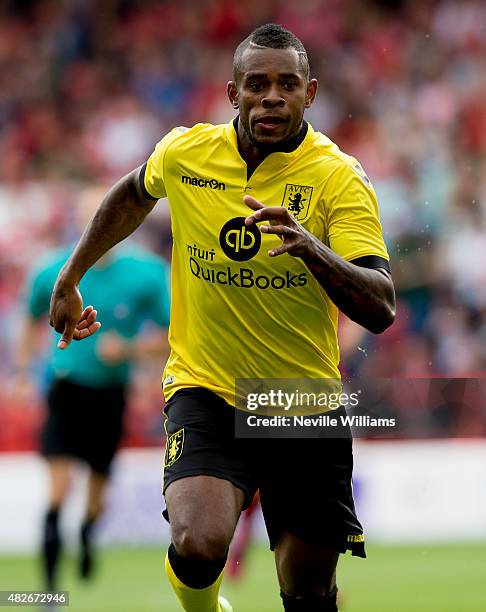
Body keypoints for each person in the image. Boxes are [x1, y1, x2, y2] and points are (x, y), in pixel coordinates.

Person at [49, 24, 395, 612]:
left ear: (310, 94)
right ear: (232, 93)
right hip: (205, 388)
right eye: (256, 85)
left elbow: (381, 304)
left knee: (307, 591)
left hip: (298, 399)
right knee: (197, 544)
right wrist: (69, 276)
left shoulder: (339, 178)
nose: (271, 98)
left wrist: (314, 249)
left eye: (287, 85)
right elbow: (131, 195)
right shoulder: (186, 152)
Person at [15, 186, 170, 593]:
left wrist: (130, 349)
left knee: (96, 498)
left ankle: (86, 532)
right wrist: (23, 373)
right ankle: (48, 591)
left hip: (110, 395)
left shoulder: (146, 274)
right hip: (66, 389)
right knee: (58, 490)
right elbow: (29, 319)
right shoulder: (53, 271)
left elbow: (175, 331)